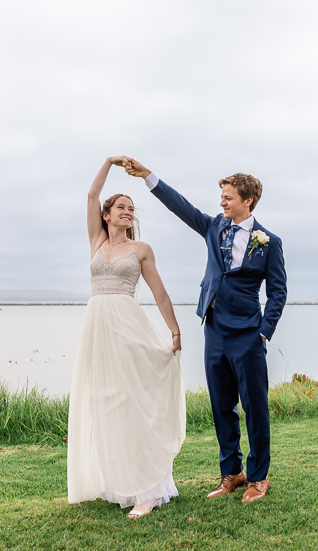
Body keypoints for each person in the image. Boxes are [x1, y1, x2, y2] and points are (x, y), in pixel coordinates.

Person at [123, 157, 287, 503]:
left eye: (228, 197)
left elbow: (278, 292)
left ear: (248, 201)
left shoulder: (269, 242)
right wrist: (147, 176)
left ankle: (259, 477)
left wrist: (263, 332)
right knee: (221, 405)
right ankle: (232, 472)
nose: (222, 202)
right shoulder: (214, 227)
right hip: (214, 330)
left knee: (255, 408)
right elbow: (181, 206)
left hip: (248, 334)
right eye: (222, 197)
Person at [67, 156, 186, 519]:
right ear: (107, 214)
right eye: (121, 206)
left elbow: (160, 293)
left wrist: (175, 330)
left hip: (128, 327)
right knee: (106, 403)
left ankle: (148, 491)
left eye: (132, 209)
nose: (128, 212)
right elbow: (90, 196)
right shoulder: (97, 241)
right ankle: (117, 481)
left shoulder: (141, 250)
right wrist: (108, 162)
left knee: (135, 402)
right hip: (97, 328)